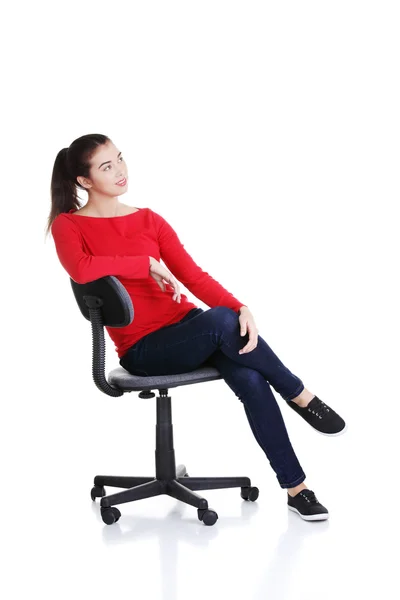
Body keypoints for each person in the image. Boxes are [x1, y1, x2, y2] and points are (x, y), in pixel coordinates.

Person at [47, 133, 347, 522]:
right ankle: (299, 394)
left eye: (120, 159)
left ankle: (296, 489)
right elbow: (81, 269)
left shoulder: (149, 219)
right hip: (143, 348)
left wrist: (240, 306)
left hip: (190, 328)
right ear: (84, 181)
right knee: (223, 322)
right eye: (107, 166)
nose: (121, 170)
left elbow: (193, 277)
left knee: (249, 375)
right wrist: (144, 265)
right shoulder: (69, 225)